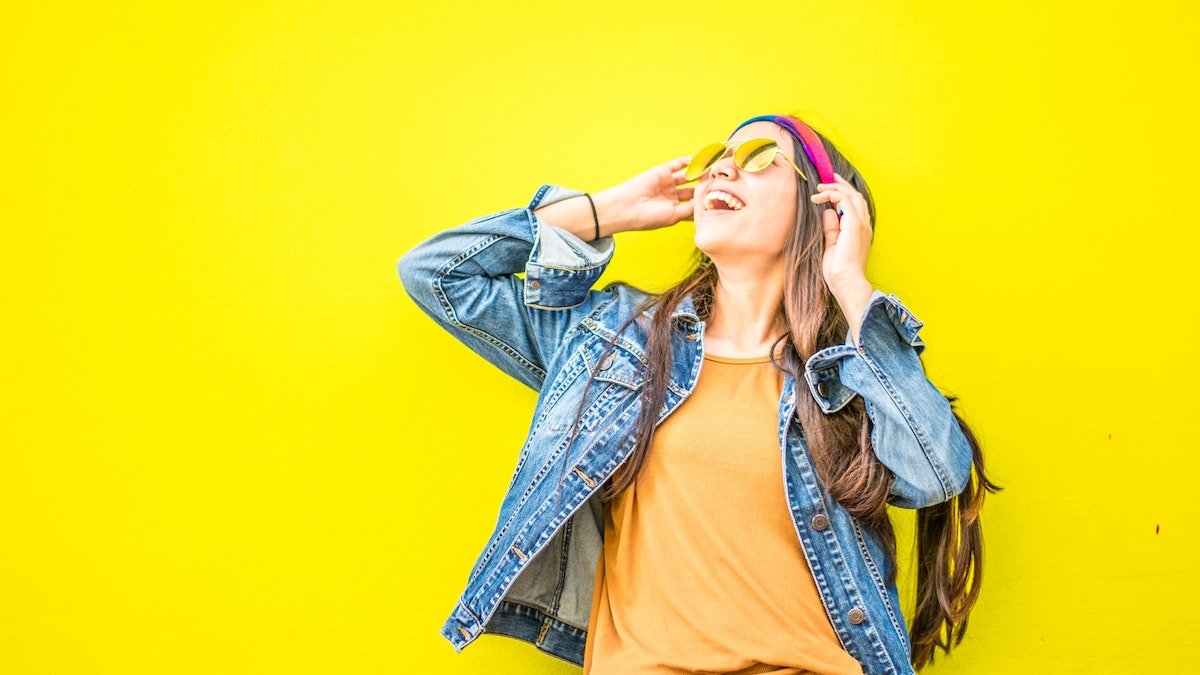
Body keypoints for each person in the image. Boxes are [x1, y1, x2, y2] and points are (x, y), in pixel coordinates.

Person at [397, 113, 1001, 674]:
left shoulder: (845, 374)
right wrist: (608, 210)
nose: (721, 168)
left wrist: (849, 282)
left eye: (761, 157)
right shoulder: (613, 341)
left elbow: (936, 473)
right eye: (717, 158)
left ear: (827, 210)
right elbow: (437, 273)